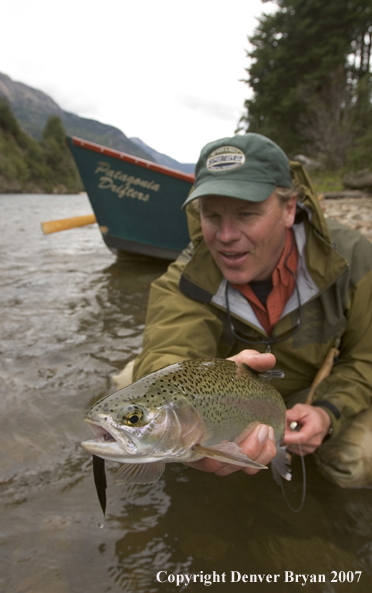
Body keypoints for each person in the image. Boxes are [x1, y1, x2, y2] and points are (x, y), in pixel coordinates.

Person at [131, 133, 372, 488]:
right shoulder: (188, 276)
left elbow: (366, 359)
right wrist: (200, 411)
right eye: (211, 215)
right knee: (127, 387)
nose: (225, 235)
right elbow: (168, 353)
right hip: (229, 401)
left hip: (313, 393)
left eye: (246, 214)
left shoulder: (352, 260)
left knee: (356, 462)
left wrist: (328, 411)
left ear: (289, 209)